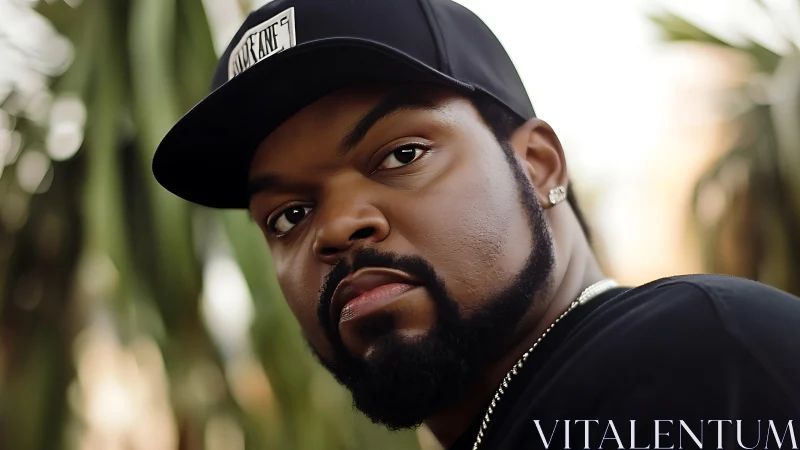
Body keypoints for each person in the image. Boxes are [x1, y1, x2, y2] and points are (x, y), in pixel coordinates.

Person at [152, 1, 800, 448]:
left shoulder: (699, 360)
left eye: (402, 154)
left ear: (539, 166)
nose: (337, 227)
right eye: (288, 215)